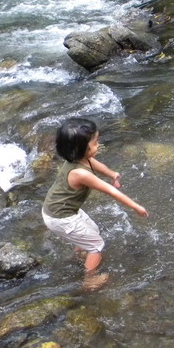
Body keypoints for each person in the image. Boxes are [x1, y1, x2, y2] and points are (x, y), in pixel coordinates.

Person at [42, 117, 148, 289]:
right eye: (95, 142)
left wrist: (112, 174)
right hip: (61, 217)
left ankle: (79, 256)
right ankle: (89, 280)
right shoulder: (80, 173)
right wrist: (136, 206)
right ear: (81, 148)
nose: (98, 145)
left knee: (92, 230)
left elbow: (99, 166)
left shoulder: (80, 158)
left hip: (60, 210)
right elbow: (110, 191)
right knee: (97, 246)